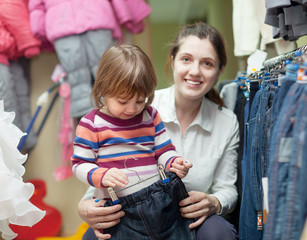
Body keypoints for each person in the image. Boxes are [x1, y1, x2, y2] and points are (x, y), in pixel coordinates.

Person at [78, 22, 240, 240]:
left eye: (207, 63)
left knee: (218, 232)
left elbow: (227, 188)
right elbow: (103, 164)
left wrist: (215, 201)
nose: (195, 71)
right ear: (172, 61)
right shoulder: (134, 108)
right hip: (128, 209)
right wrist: (85, 207)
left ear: (219, 71)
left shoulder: (226, 122)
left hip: (180, 214)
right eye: (186, 59)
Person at [72, 44, 194, 238]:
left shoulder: (151, 115)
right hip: (117, 211)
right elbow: (79, 165)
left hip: (158, 202)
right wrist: (100, 175)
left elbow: (163, 151)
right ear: (104, 88)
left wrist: (174, 162)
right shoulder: (91, 123)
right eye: (122, 101)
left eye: (140, 101)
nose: (132, 108)